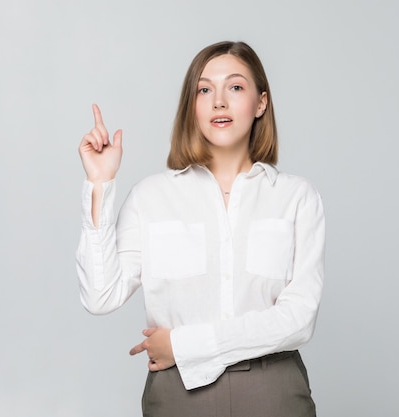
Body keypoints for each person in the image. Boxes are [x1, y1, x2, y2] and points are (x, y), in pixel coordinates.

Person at [76, 40, 325, 417]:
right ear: (191, 105)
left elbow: (298, 319)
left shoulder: (296, 197)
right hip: (179, 393)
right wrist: (99, 183)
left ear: (261, 102)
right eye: (204, 89)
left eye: (236, 87)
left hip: (273, 389)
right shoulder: (151, 196)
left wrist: (185, 345)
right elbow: (101, 296)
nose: (219, 101)